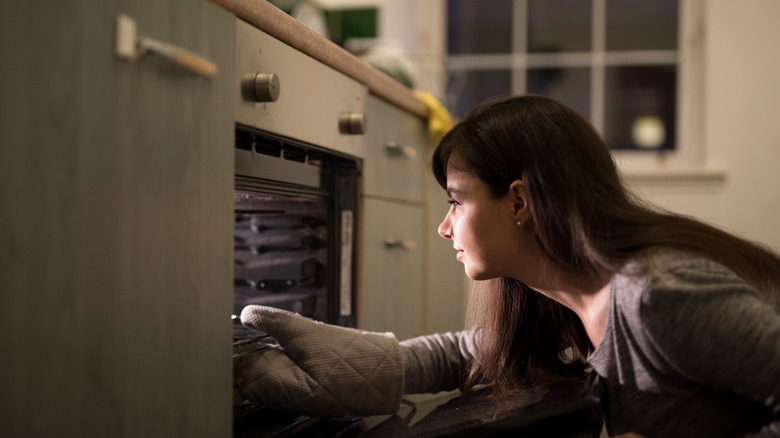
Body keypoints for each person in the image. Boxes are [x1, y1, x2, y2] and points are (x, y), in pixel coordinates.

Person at [235, 95, 780, 437]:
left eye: (455, 200)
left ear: (520, 203)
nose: (446, 227)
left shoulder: (657, 295)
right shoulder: (570, 299)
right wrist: (376, 370)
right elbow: (472, 351)